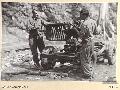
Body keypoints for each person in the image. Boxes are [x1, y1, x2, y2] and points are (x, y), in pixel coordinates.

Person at [74, 8, 97, 78]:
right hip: (92, 42)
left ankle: (87, 75)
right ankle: (90, 72)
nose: (80, 16)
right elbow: (95, 32)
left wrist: (77, 42)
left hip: (86, 43)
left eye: (81, 15)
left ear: (84, 15)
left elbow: (81, 36)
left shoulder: (84, 24)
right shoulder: (93, 21)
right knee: (89, 57)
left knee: (84, 59)